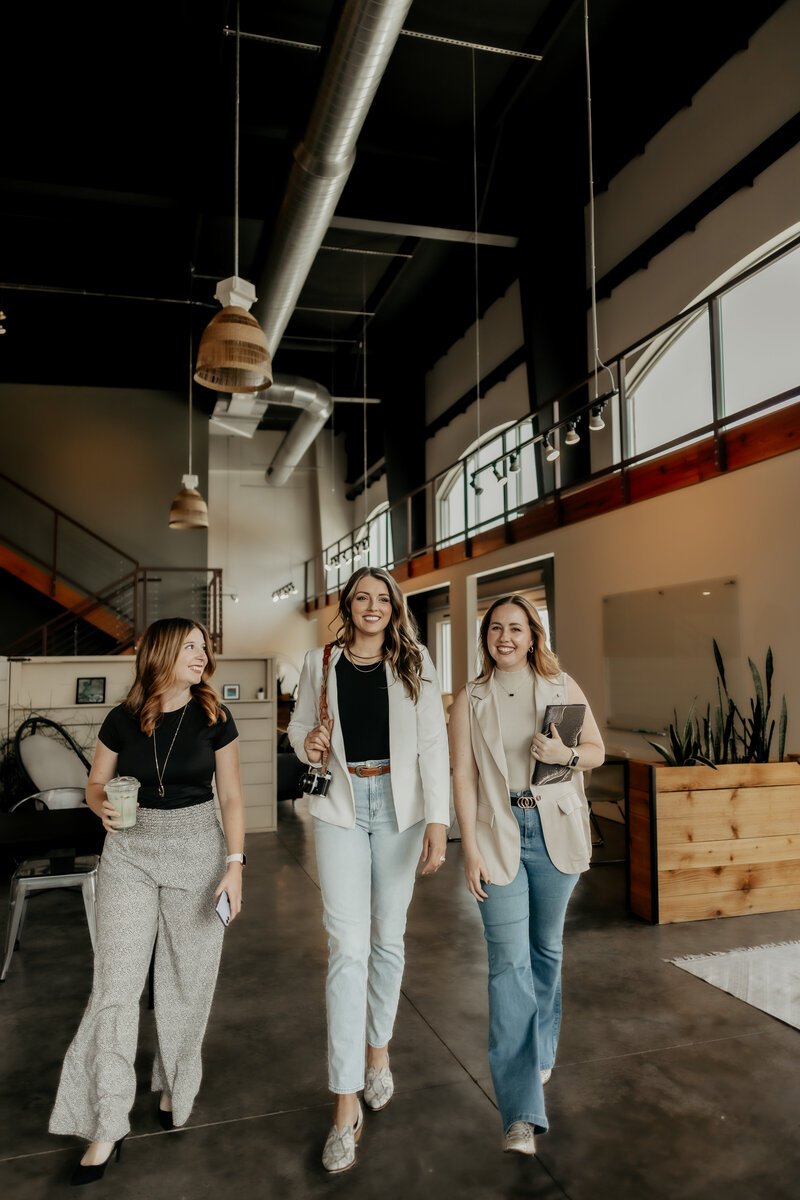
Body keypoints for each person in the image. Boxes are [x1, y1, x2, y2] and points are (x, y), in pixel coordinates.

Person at [49, 618, 245, 1186]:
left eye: (204, 646)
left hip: (198, 848)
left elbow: (230, 796)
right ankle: (106, 1121)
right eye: (190, 646)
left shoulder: (215, 715)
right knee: (115, 986)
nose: (201, 654)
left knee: (188, 981)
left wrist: (236, 865)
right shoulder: (121, 717)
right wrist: (100, 807)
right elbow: (95, 784)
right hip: (129, 851)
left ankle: (175, 1087)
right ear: (161, 652)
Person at [288, 566, 450, 1173]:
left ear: (395, 607)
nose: (373, 606)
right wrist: (308, 742)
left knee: (387, 938)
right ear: (348, 605)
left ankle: (378, 1050)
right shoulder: (320, 660)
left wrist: (439, 819)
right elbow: (300, 724)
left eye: (384, 598)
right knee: (347, 947)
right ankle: (344, 1100)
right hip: (340, 805)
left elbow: (433, 742)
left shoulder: (416, 662)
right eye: (363, 597)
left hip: (401, 811)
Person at [449, 595, 604, 1157]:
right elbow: (462, 777)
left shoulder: (563, 686)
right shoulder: (470, 698)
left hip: (555, 829)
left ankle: (540, 1050)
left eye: (516, 628)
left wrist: (564, 753)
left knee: (545, 952)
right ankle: (520, 1114)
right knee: (507, 963)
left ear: (533, 634)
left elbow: (596, 752)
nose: (505, 637)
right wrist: (468, 847)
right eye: (496, 629)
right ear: (485, 637)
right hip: (498, 833)